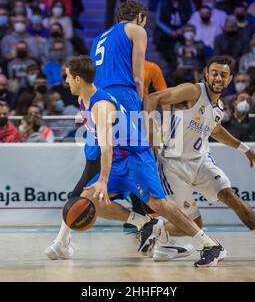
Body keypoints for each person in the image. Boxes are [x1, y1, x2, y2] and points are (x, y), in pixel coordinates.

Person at [46, 56, 223, 267]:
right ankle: (145, 223)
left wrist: (102, 179)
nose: (65, 81)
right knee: (87, 198)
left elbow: (106, 147)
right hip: (119, 161)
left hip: (136, 157)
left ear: (77, 79)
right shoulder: (82, 99)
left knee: (159, 204)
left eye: (67, 77)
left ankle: (210, 245)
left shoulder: (101, 106)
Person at [144, 56, 255, 262]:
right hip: (173, 165)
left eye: (223, 74)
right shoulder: (193, 91)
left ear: (230, 79)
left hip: (201, 161)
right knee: (195, 224)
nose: (219, 77)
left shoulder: (219, 107)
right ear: (206, 74)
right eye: (215, 73)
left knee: (230, 196)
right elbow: (151, 99)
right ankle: (157, 231)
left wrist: (245, 149)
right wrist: (151, 137)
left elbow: (216, 130)